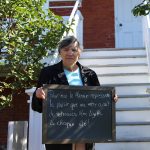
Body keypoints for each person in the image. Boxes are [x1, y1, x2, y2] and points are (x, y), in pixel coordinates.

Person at [32, 35, 118, 150]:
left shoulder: (90, 74)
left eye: (74, 50)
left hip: (85, 131)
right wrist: (37, 95)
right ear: (60, 52)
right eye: (66, 49)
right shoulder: (48, 73)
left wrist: (110, 99)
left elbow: (98, 102)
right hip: (59, 133)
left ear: (79, 53)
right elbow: (37, 107)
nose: (70, 53)